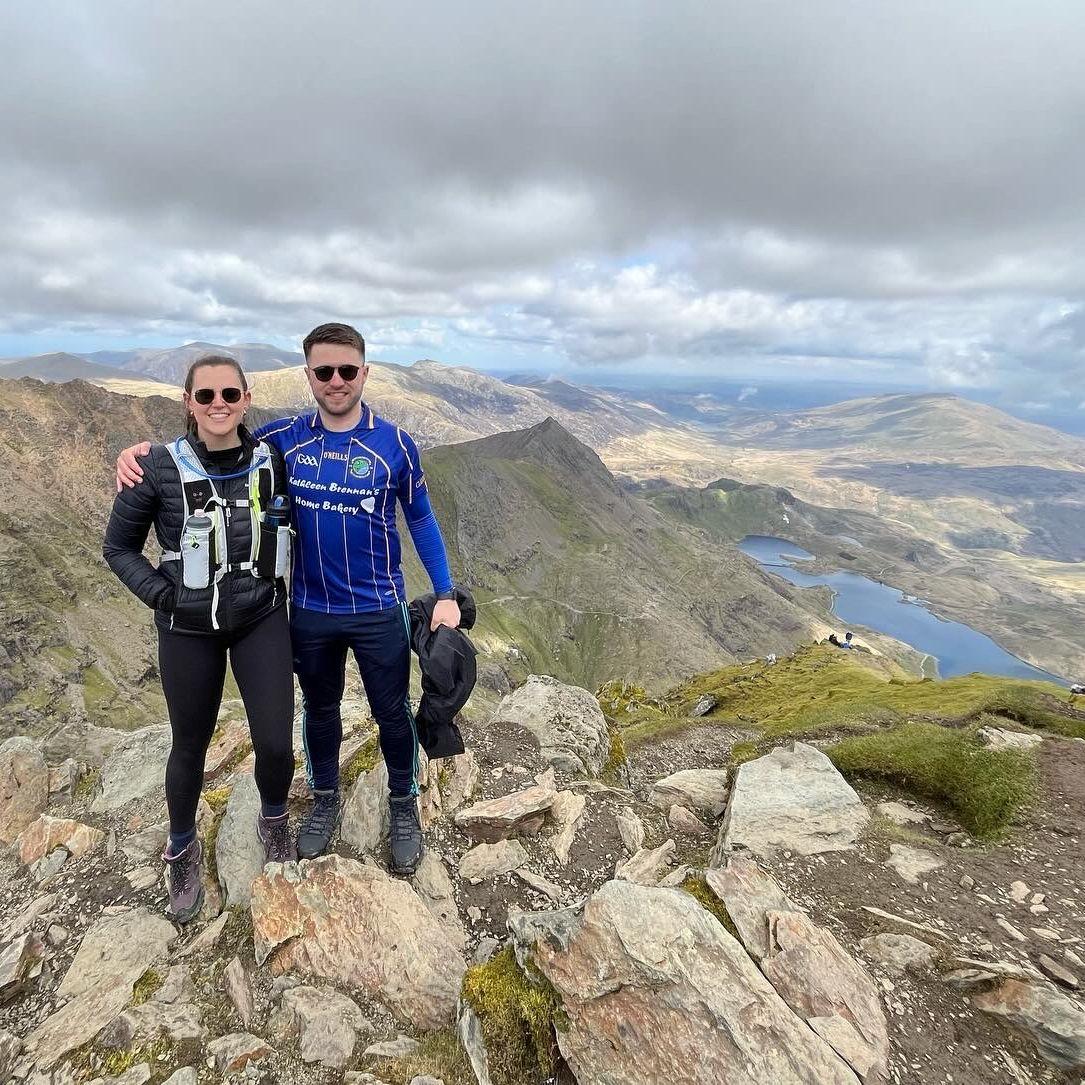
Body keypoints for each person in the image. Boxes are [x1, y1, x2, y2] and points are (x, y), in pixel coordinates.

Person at [116, 324, 460, 875]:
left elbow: (420, 517)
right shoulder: (281, 440)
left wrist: (444, 593)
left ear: (365, 372)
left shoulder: (396, 444)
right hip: (309, 610)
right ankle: (324, 799)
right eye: (324, 371)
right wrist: (140, 454)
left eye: (347, 370)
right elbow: (213, 445)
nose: (336, 381)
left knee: (391, 712)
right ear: (309, 376)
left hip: (379, 606)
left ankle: (403, 803)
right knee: (320, 711)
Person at [104, 355, 296, 923]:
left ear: (246, 399)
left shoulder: (272, 458)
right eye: (206, 395)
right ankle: (182, 847)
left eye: (229, 394)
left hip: (261, 617)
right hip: (188, 628)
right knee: (190, 744)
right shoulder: (157, 468)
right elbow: (118, 547)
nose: (219, 404)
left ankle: (274, 818)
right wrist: (162, 597)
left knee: (276, 742)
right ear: (188, 401)